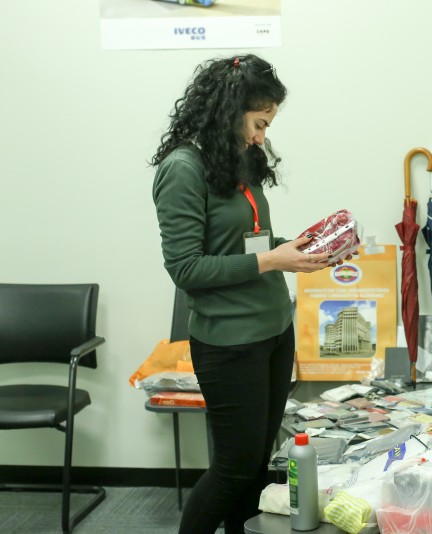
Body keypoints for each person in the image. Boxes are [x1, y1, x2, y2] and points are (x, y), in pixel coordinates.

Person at [151, 54, 331, 534]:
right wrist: (273, 260)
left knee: (256, 465)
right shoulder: (182, 169)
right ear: (229, 111)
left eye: (267, 125)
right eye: (258, 123)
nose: (261, 137)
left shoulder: (235, 158)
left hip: (274, 329)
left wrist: (298, 248)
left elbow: (248, 243)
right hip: (229, 342)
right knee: (233, 468)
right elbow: (186, 268)